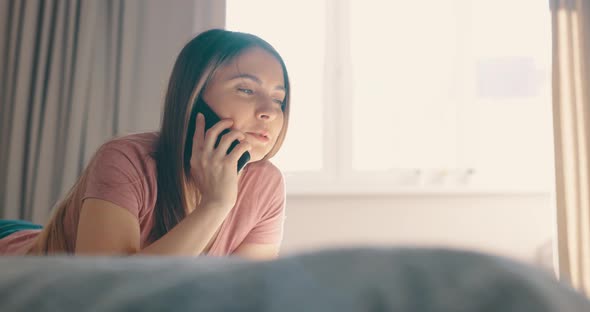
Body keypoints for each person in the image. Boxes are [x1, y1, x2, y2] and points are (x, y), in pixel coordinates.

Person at [0, 29, 291, 260]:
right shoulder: (125, 159)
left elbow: (245, 295)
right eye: (246, 89)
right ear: (195, 99)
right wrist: (216, 205)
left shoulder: (266, 185)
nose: (269, 110)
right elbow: (108, 292)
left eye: (278, 99)